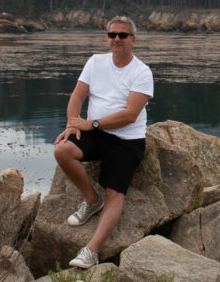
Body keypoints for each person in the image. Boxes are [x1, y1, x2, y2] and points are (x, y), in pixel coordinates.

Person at [53, 16, 154, 269]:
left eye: (122, 35)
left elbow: (130, 115)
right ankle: (91, 200)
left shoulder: (142, 72)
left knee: (115, 192)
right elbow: (77, 96)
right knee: (63, 149)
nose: (116, 39)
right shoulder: (95, 62)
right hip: (96, 134)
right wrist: (71, 124)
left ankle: (91, 250)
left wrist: (92, 124)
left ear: (133, 39)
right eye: (112, 35)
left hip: (127, 140)